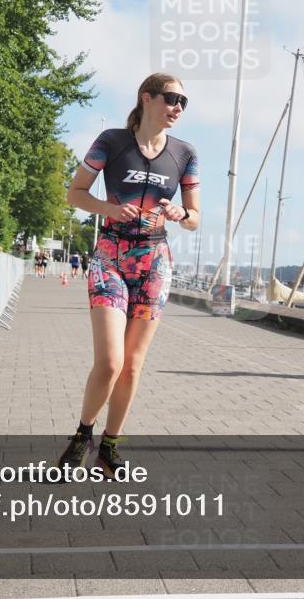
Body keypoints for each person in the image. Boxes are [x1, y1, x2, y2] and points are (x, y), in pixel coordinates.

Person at [58, 73, 199, 476]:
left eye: (183, 103)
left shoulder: (185, 153)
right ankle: (82, 435)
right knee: (110, 362)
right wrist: (108, 209)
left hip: (154, 260)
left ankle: (109, 446)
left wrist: (181, 213)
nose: (177, 108)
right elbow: (75, 193)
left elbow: (195, 218)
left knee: (133, 365)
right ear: (147, 98)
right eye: (171, 98)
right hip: (110, 257)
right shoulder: (111, 142)